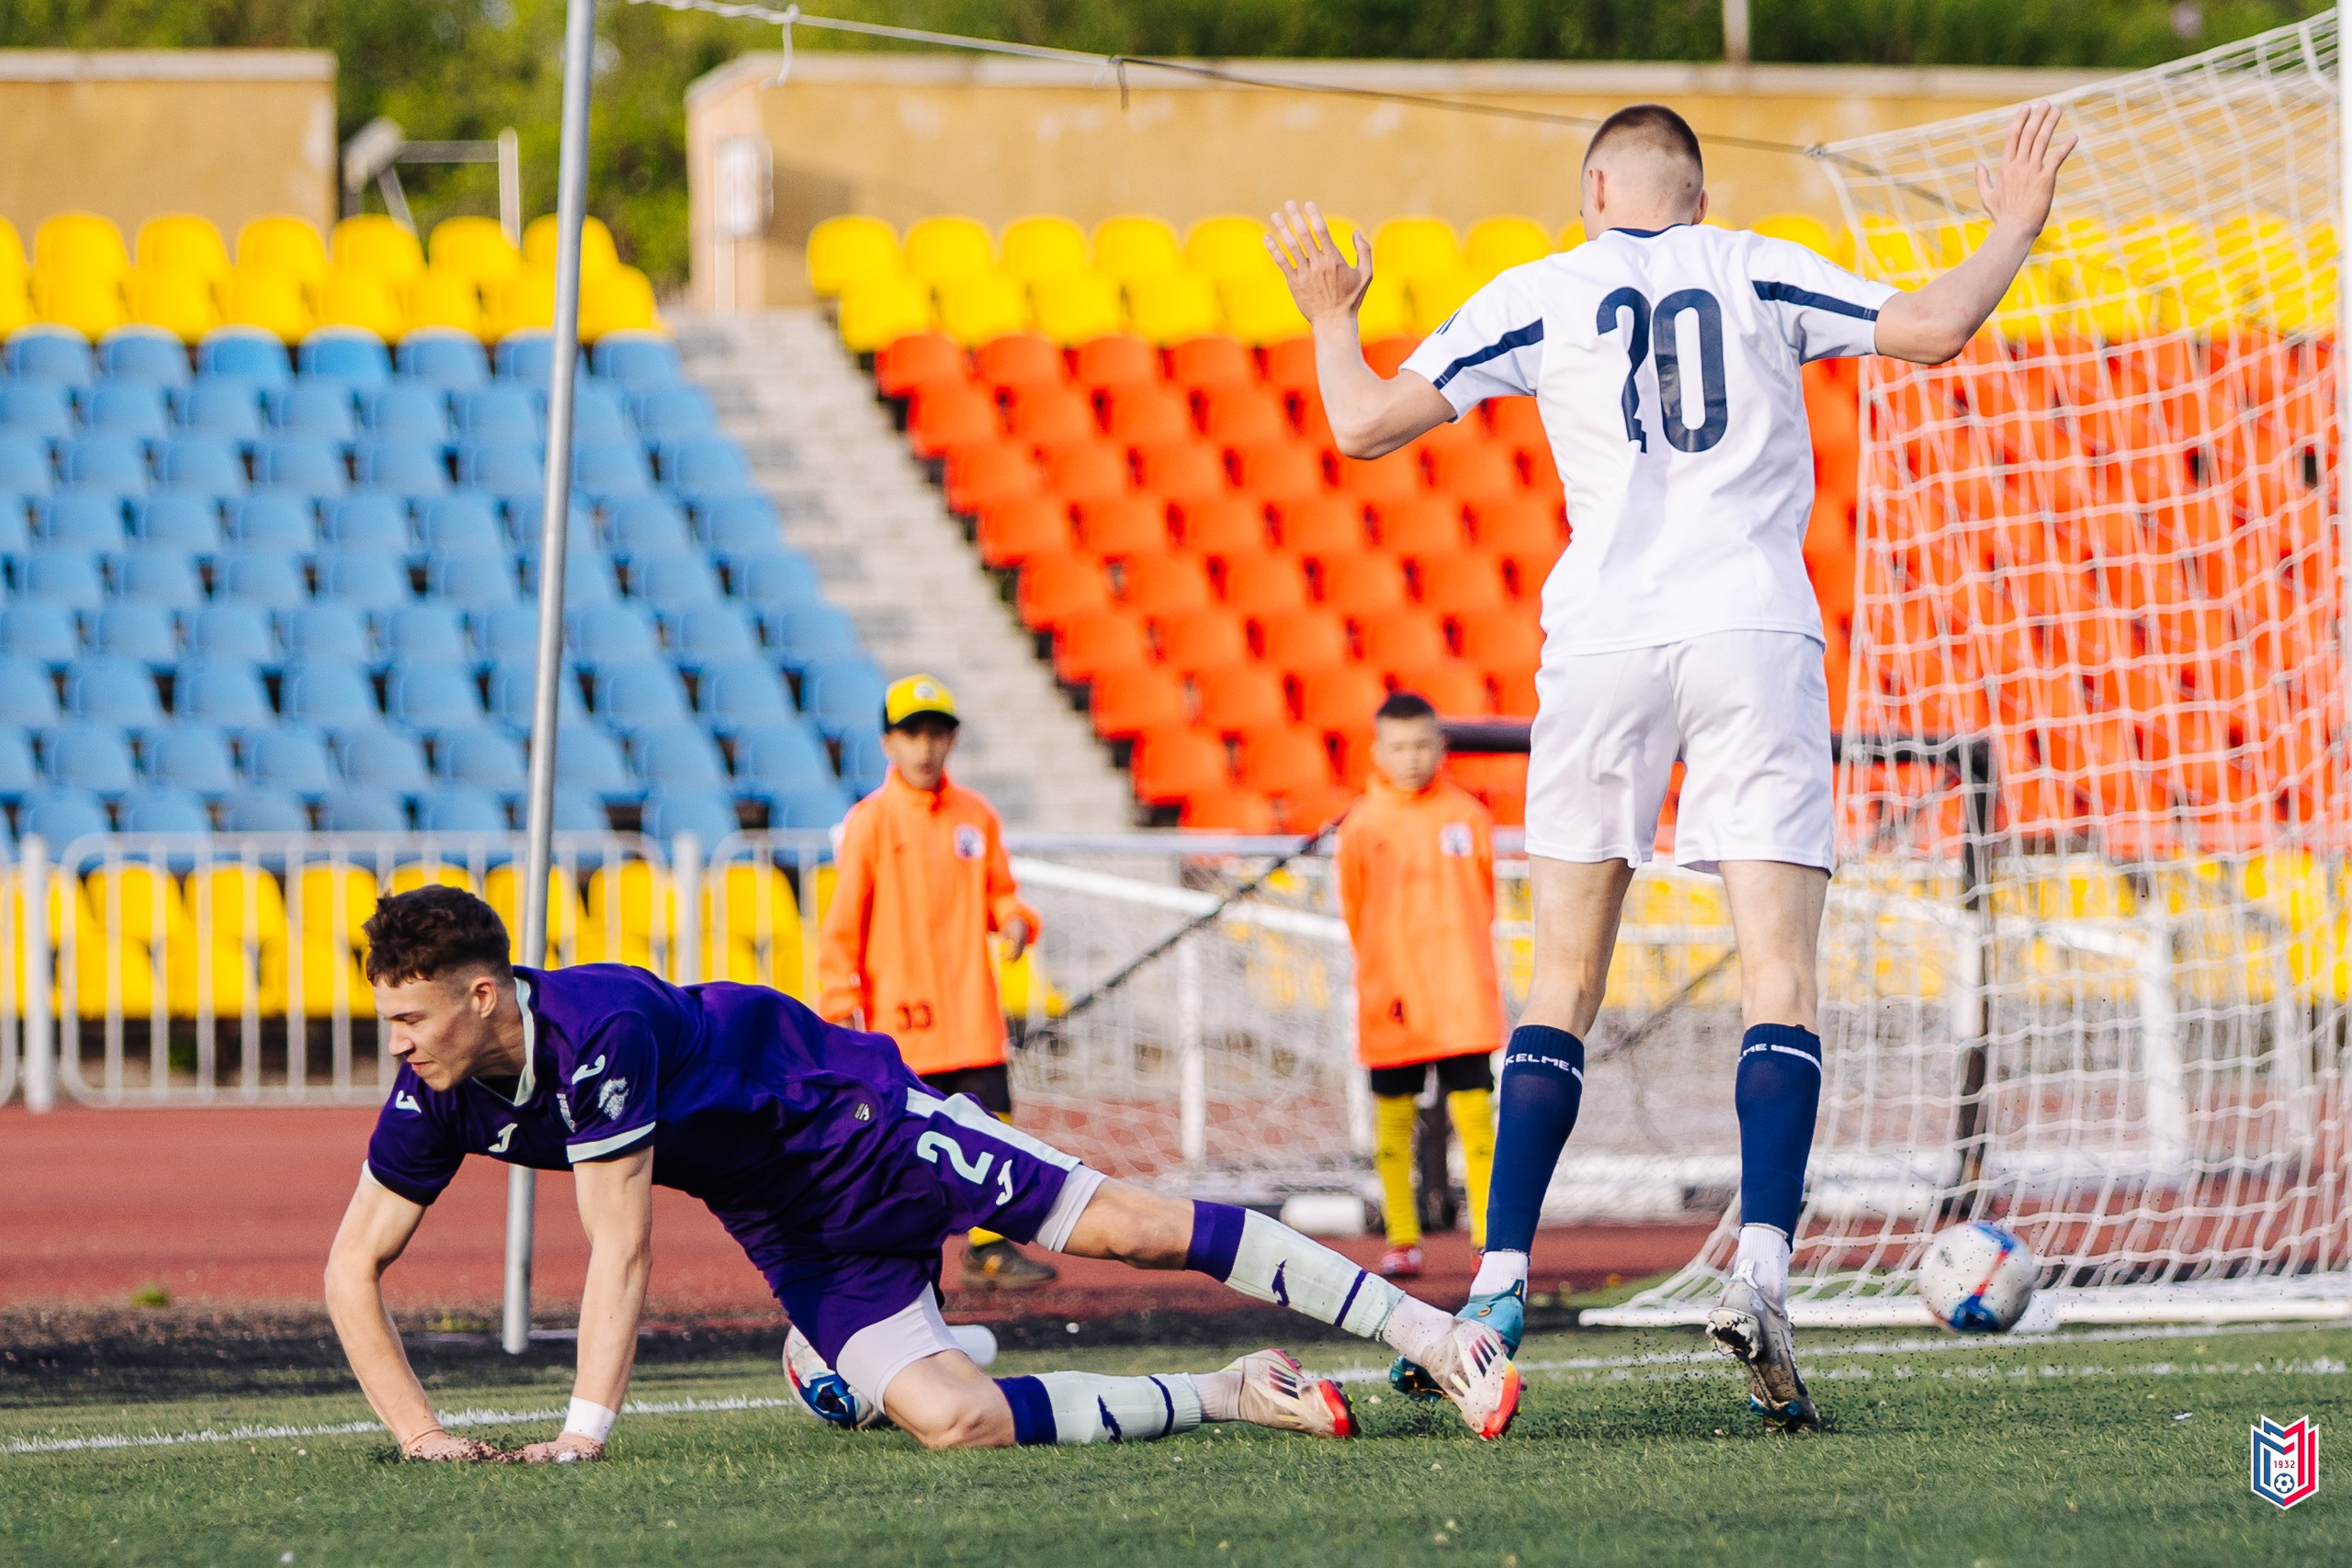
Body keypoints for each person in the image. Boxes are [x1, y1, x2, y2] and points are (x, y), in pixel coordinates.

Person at [1271, 100, 2075, 1429]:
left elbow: (1358, 425)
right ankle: (1760, 1270)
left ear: (1594, 189)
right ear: (1696, 198)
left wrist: (1327, 310)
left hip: (1602, 643)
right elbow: (1933, 328)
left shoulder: (1537, 288)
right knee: (1782, 972)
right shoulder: (1755, 262)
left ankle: (1498, 1288)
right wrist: (2014, 225)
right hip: (1752, 623)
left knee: (1562, 979)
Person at [325, 886, 1522, 1461]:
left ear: (483, 996)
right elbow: (350, 1269)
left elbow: (622, 1246)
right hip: (790, 1218)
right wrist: (423, 1431)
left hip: (864, 1116)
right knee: (960, 1420)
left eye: (411, 1015)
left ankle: (1434, 1333)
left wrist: (585, 1432)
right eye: (389, 1018)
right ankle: (1230, 1386)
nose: (399, 1041)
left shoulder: (599, 1034)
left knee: (1133, 1228)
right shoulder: (435, 1085)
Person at [817, 673, 1057, 1290]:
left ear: (951, 739)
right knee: (911, 1144)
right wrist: (839, 999)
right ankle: (901, 1259)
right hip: (904, 1019)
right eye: (912, 734)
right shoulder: (870, 822)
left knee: (993, 1129)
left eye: (936, 733)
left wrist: (1015, 920)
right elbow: (843, 921)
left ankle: (988, 1246)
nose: (925, 746)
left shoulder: (975, 815)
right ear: (889, 742)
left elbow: (1002, 893)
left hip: (973, 1012)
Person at [1336, 691, 1500, 1280]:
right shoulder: (1362, 826)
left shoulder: (1468, 817)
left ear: (1441, 746)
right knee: (1392, 1128)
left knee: (1478, 1125)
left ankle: (1490, 1237)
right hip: (1393, 999)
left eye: (1422, 744)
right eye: (1399, 747)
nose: (1411, 758)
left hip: (1462, 997)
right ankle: (1402, 1238)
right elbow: (1356, 912)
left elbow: (1484, 900)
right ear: (1378, 751)